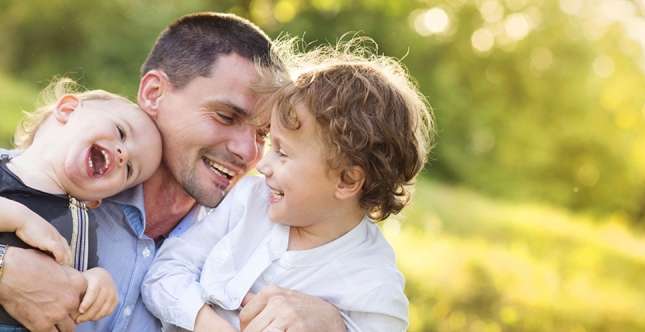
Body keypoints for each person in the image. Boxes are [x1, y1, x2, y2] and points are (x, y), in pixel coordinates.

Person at [0, 12, 347, 332]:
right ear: (154, 93)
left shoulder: (250, 234)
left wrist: (337, 323)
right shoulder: (55, 175)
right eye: (226, 117)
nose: (249, 152)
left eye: (262, 134)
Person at [142, 45, 434, 331]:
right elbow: (163, 272)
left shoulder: (373, 284)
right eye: (272, 144)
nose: (262, 165)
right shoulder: (249, 201)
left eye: (282, 153)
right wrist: (207, 323)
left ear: (346, 181)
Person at [0, 79, 162, 331]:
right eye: (121, 131)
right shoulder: (4, 169)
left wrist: (97, 281)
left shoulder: (82, 220)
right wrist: (20, 218)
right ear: (67, 110)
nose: (123, 154)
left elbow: (75, 276)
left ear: (96, 200)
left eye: (130, 169)